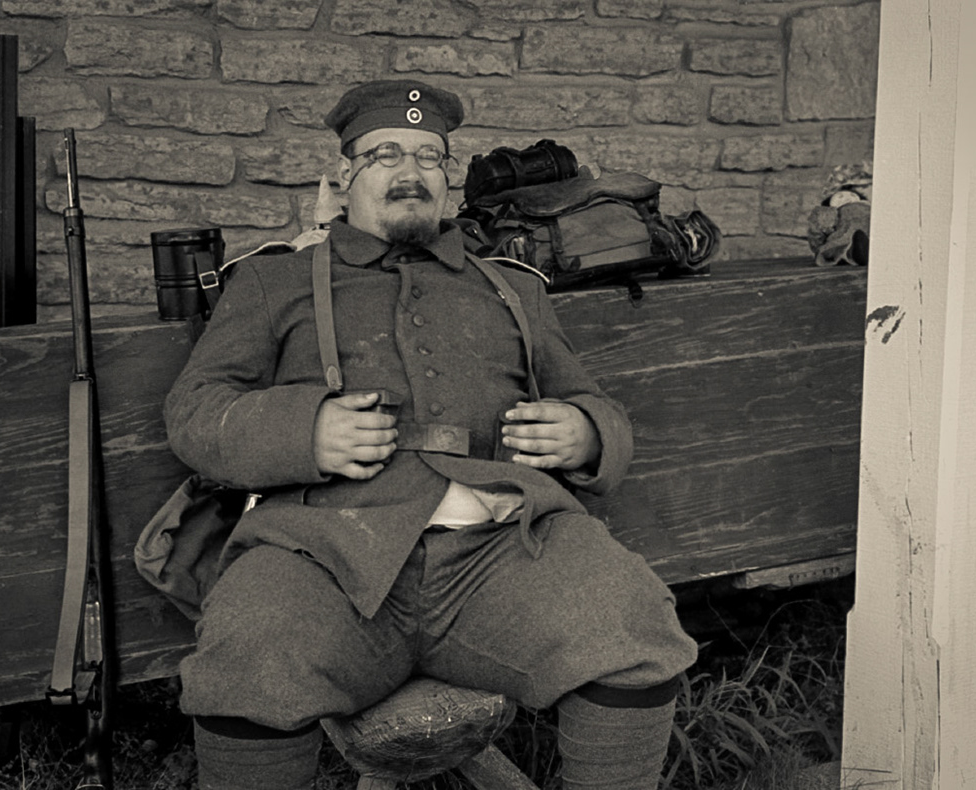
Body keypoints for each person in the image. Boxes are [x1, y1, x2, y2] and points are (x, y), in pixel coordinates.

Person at [161, 79, 700, 790]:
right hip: (323, 554)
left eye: (429, 157)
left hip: (503, 551)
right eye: (386, 154)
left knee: (634, 628)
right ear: (346, 174)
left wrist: (586, 434)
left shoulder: (512, 287)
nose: (410, 172)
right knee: (250, 655)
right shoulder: (273, 283)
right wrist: (305, 430)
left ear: (447, 179)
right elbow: (195, 411)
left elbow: (589, 400)